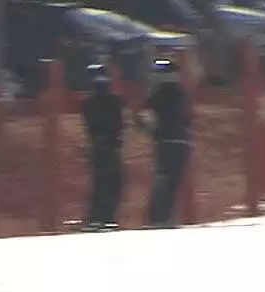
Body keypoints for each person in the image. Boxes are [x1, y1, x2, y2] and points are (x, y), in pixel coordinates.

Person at [136, 57, 192, 228]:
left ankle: (160, 217)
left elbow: (140, 113)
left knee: (165, 178)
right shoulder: (178, 92)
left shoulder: (160, 93)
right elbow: (188, 118)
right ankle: (161, 216)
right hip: (177, 141)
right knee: (170, 179)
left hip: (168, 141)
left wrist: (150, 130)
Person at [80, 62, 124, 231]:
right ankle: (98, 217)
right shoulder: (106, 101)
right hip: (104, 147)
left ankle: (99, 217)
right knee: (107, 183)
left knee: (106, 183)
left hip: (102, 147)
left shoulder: (92, 102)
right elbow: (116, 124)